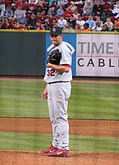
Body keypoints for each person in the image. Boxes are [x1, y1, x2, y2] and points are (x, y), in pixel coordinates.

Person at [42, 26, 75, 157]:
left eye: (56, 35)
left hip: (61, 85)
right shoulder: (53, 48)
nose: (54, 37)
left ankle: (63, 147)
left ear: (61, 36)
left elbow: (66, 69)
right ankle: (55, 145)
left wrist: (52, 66)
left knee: (60, 117)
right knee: (54, 118)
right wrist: (47, 86)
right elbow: (51, 72)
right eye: (52, 35)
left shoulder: (64, 49)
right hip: (53, 85)